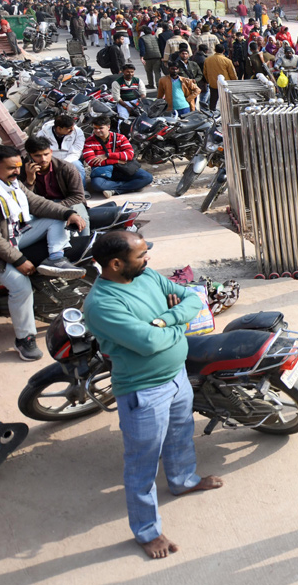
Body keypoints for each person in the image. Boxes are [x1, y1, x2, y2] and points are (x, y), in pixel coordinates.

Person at [81, 231, 222, 559]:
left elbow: (192, 299)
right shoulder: (102, 305)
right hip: (143, 392)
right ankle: (147, 531)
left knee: (181, 434)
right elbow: (149, 343)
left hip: (176, 378)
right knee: (141, 464)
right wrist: (178, 327)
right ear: (116, 264)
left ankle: (183, 480)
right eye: (141, 255)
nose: (148, 260)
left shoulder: (146, 275)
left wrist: (165, 320)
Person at [0, 145, 87, 361]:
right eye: (11, 168)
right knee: (21, 286)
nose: (17, 172)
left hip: (11, 235)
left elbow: (36, 203)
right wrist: (19, 260)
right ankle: (24, 339)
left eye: (18, 167)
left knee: (55, 219)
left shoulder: (9, 183)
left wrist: (68, 212)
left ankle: (56, 258)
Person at [82, 117, 154, 198]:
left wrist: (107, 155)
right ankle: (131, 187)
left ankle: (114, 190)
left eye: (101, 128)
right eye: (95, 128)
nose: (97, 131)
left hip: (123, 169)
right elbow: (91, 161)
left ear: (108, 127)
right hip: (104, 172)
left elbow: (129, 155)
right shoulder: (89, 142)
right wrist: (116, 161)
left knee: (147, 177)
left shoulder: (120, 138)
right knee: (97, 185)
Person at [22, 136, 87, 225]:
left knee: (79, 215)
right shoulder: (22, 171)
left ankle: (86, 238)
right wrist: (29, 181)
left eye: (46, 154)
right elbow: (24, 200)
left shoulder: (66, 168)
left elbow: (78, 196)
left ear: (51, 152)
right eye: (37, 156)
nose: (43, 159)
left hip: (67, 204)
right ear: (29, 156)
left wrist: (54, 208)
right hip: (39, 208)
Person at [38, 114, 87, 182]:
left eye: (72, 127)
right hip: (51, 158)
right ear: (59, 128)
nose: (72, 130)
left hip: (71, 157)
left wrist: (64, 163)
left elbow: (76, 151)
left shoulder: (77, 132)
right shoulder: (43, 134)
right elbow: (41, 150)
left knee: (77, 166)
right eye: (69, 129)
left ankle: (83, 190)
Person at [202, 44, 237, 111]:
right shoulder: (227, 61)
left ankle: (212, 112)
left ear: (215, 50)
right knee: (226, 101)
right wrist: (234, 82)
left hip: (213, 83)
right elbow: (232, 73)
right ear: (224, 51)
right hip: (225, 84)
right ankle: (227, 113)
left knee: (213, 100)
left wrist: (209, 81)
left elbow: (205, 73)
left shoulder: (207, 60)